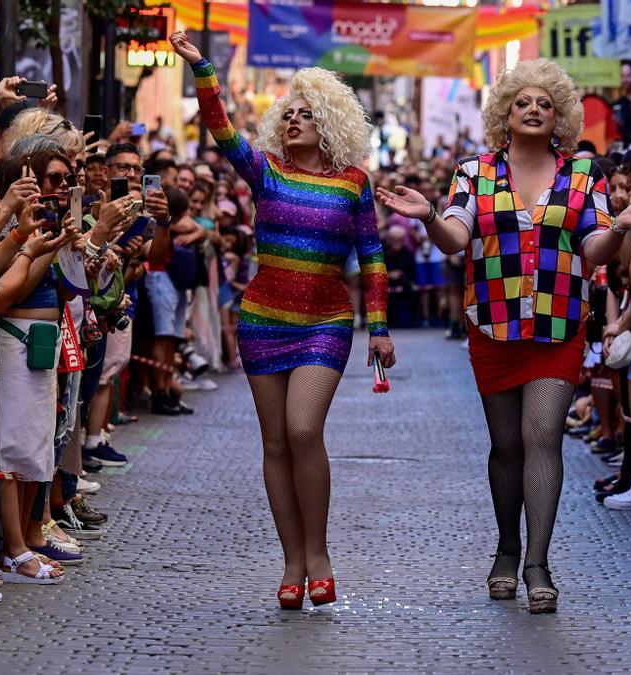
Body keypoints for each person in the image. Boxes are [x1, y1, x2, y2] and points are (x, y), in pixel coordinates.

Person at [377, 58, 631, 613]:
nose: (533, 109)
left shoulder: (585, 175)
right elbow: (455, 239)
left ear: (559, 118)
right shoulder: (474, 173)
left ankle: (537, 563)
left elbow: (592, 249)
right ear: (505, 114)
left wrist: (620, 229)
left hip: (558, 327)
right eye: (522, 102)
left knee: (542, 437)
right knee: (505, 446)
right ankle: (506, 549)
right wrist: (429, 214)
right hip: (494, 326)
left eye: (544, 104)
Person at [171, 31, 396, 610]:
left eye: (306, 115)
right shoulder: (265, 170)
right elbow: (222, 129)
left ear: (328, 124)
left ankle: (318, 553)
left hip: (325, 322)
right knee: (274, 442)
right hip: (262, 319)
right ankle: (292, 562)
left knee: (302, 430)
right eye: (288, 114)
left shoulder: (353, 184)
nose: (293, 121)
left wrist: (380, 325)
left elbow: (371, 258)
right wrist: (203, 69)